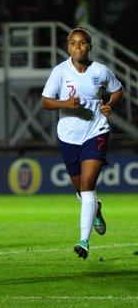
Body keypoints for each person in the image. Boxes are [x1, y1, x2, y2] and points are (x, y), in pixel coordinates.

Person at [41, 27, 123, 260]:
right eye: (74, 43)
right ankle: (95, 208)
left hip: (96, 132)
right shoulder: (60, 72)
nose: (78, 47)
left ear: (90, 46)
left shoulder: (101, 71)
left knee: (87, 184)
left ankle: (84, 242)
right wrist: (65, 104)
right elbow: (46, 102)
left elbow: (118, 91)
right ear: (68, 47)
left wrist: (109, 103)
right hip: (68, 136)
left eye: (83, 43)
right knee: (81, 190)